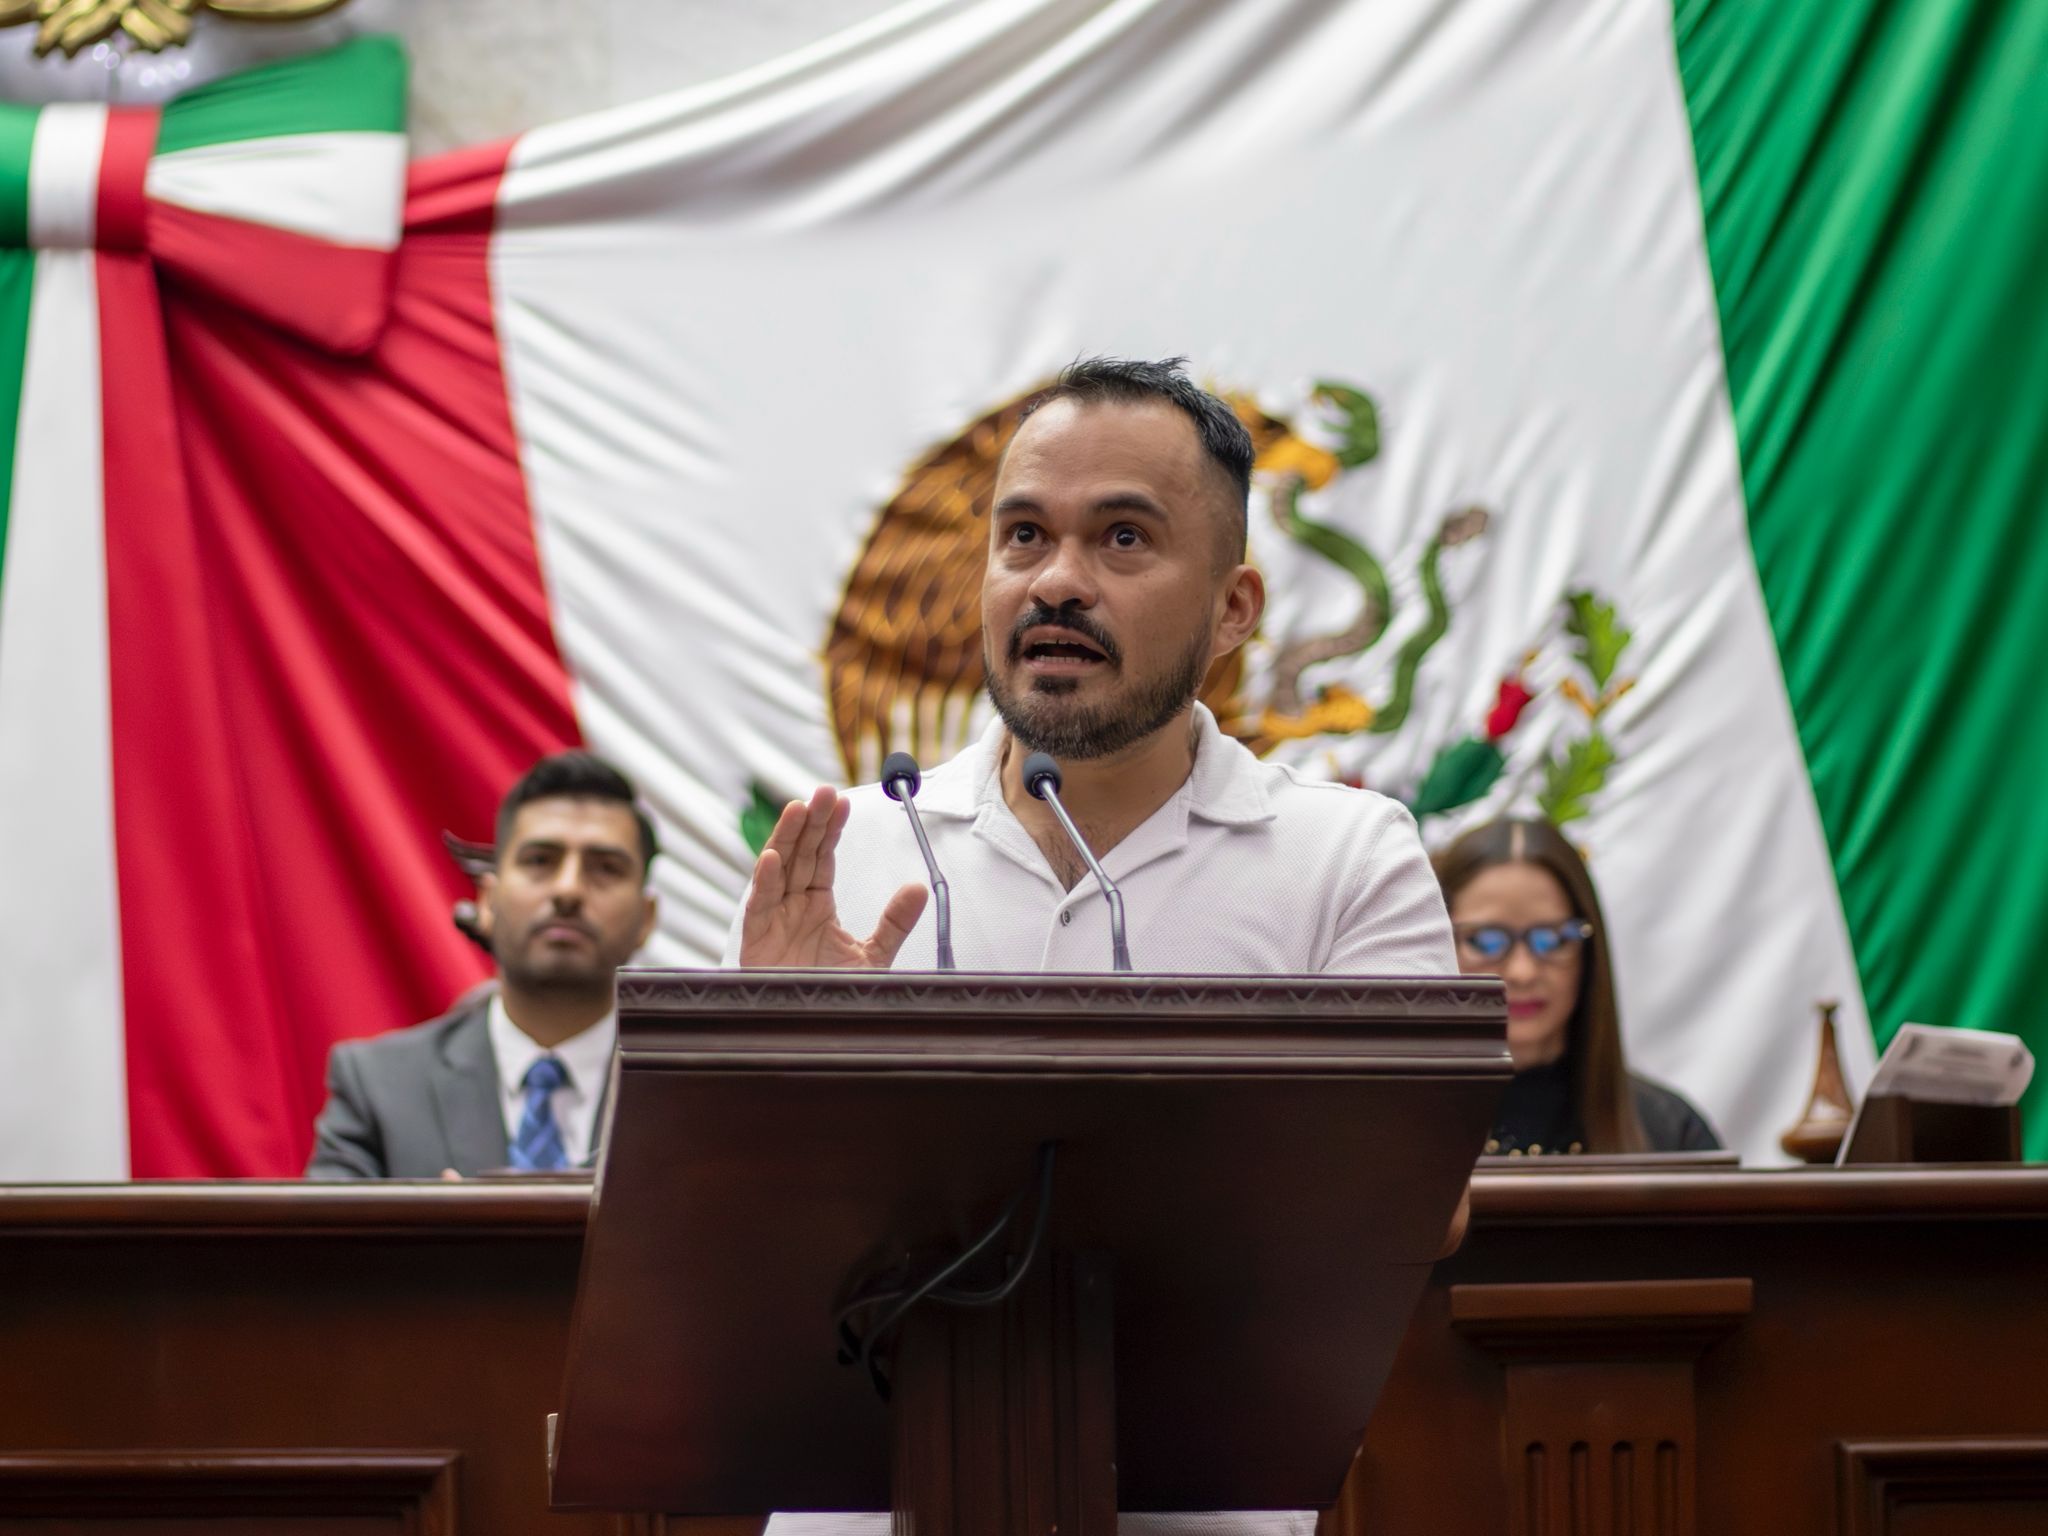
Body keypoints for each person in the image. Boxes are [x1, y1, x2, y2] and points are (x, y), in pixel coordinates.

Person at [724, 356, 1454, 977]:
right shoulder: (839, 860)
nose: (1055, 582)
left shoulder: (1348, 864)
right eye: (1025, 535)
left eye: (1124, 536)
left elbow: (1379, 1146)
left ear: (1232, 608)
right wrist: (791, 1054)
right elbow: (725, 1144)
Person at [306, 752, 660, 1179]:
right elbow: (322, 1246)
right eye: (539, 861)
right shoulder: (378, 1086)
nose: (568, 889)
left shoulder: (688, 1095)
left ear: (647, 918)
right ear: (487, 900)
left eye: (605, 868)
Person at [1434, 817, 1719, 1155]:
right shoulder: (1390, 1125)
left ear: (1588, 952)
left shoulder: (1668, 1132)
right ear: (1436, 941)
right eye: (1486, 941)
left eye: (1552, 940)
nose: (1523, 971)